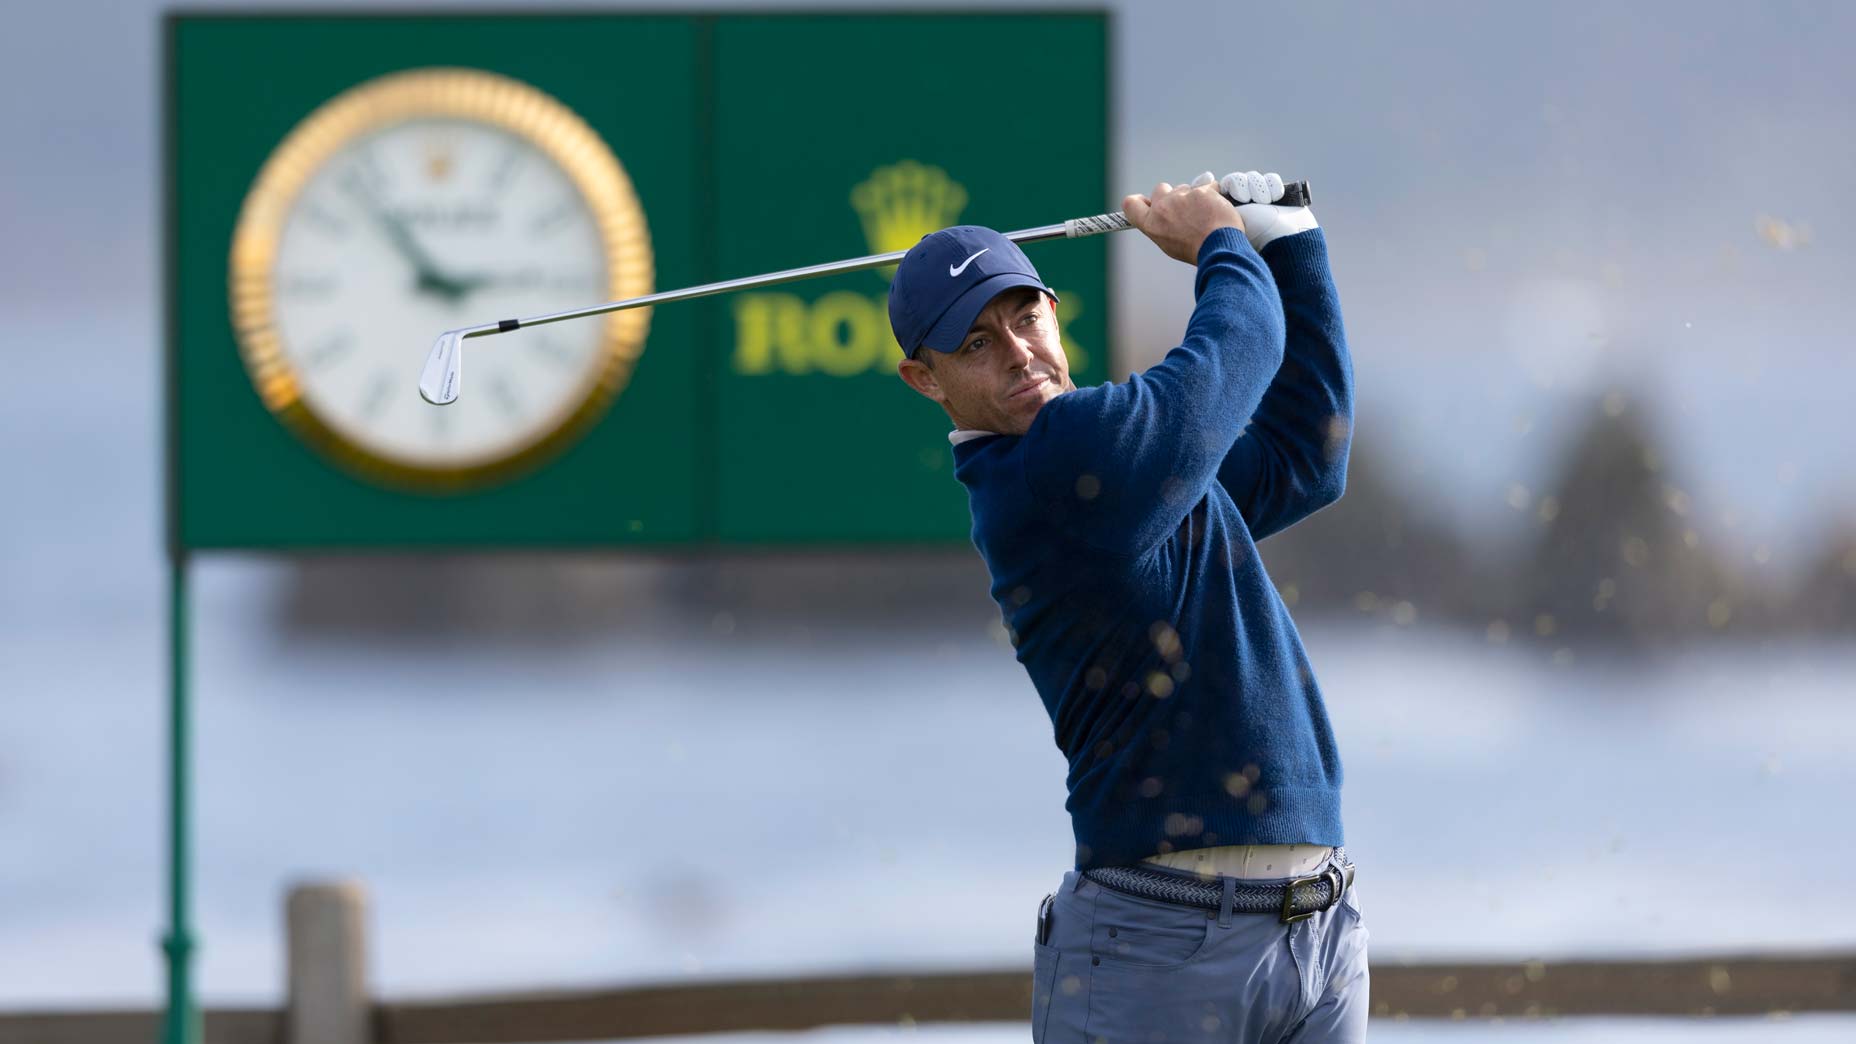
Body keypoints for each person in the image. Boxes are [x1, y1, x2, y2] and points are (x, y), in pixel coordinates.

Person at [887, 171, 1365, 1042]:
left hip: (1315, 934)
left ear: (1055, 313)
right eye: (977, 344)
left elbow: (1307, 455)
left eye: (1026, 318)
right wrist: (1223, 244)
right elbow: (1234, 355)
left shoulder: (1130, 470)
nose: (1020, 352)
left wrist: (1294, 243)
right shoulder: (1049, 464)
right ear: (926, 380)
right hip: (1156, 943)